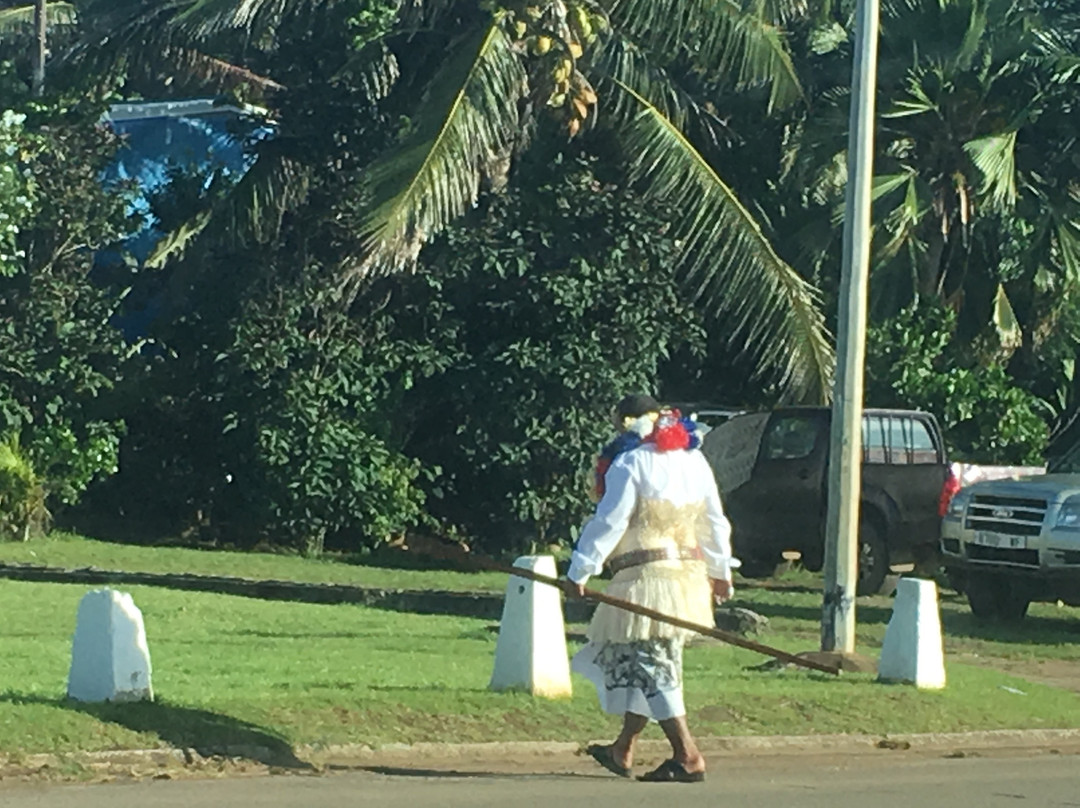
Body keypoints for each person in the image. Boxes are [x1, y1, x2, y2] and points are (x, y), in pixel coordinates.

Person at [564, 393, 738, 783]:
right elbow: (714, 519)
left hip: (646, 578)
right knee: (650, 660)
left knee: (652, 663)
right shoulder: (696, 461)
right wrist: (720, 570)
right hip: (687, 579)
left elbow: (609, 521)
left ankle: (687, 754)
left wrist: (580, 570)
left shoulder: (630, 462)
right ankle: (622, 747)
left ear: (624, 422)